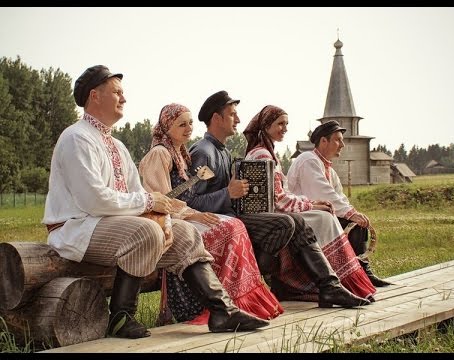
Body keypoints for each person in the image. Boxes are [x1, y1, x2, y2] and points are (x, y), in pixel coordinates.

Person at [42, 65, 269, 339]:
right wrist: (150, 202)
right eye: (117, 92)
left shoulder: (117, 145)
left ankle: (222, 311)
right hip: (77, 228)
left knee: (184, 233)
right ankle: (120, 317)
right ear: (95, 95)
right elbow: (94, 200)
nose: (124, 98)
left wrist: (162, 215)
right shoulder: (76, 138)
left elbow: (138, 195)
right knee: (146, 231)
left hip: (108, 225)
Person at [187, 90, 370, 308]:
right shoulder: (204, 152)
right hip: (223, 221)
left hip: (235, 215)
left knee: (298, 221)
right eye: (232, 114)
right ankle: (283, 281)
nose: (238, 120)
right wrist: (227, 193)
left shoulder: (223, 152)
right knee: (287, 222)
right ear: (216, 118)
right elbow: (190, 201)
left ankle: (329, 288)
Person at [138, 102, 284, 323]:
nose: (188, 129)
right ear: (167, 127)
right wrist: (193, 214)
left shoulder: (181, 153)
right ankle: (217, 305)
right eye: (181, 125)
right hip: (169, 220)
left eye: (189, 124)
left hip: (184, 215)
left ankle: (236, 301)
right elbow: (160, 200)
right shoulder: (159, 153)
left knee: (234, 225)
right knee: (229, 228)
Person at [243, 105, 376, 302]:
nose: (285, 128)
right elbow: (278, 199)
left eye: (286, 124)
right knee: (323, 218)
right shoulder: (263, 154)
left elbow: (284, 194)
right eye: (280, 124)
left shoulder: (270, 153)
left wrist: (312, 204)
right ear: (266, 125)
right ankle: (337, 282)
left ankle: (340, 281)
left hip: (280, 210)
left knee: (326, 216)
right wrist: (310, 205)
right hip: (269, 215)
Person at [287, 120, 392, 287]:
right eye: (337, 140)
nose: (342, 145)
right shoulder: (308, 159)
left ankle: (361, 270)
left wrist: (353, 213)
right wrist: (351, 214)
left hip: (319, 213)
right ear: (323, 141)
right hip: (303, 215)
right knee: (353, 221)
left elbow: (340, 197)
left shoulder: (329, 169)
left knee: (357, 225)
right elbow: (323, 193)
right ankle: (351, 275)